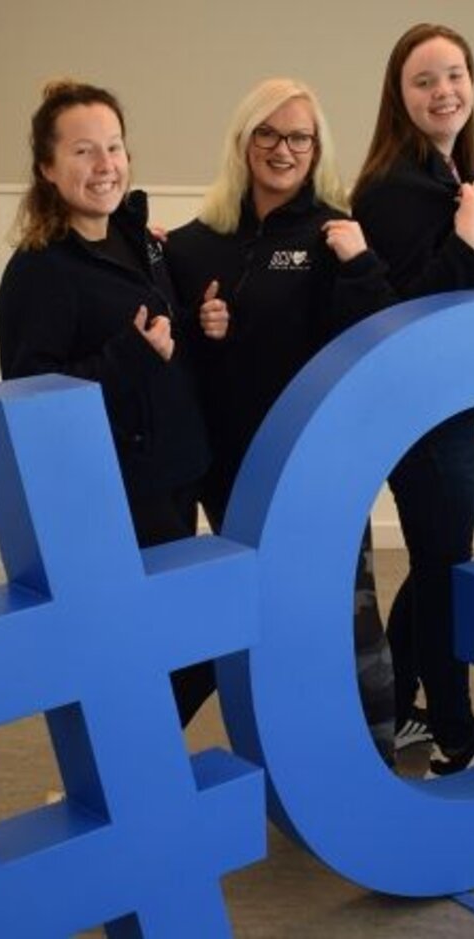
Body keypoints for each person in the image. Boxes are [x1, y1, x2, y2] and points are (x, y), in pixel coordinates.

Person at [164, 78, 401, 761]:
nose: (282, 149)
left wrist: (359, 263)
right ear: (242, 142)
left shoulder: (335, 233)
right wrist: (195, 321)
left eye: (298, 136)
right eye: (267, 133)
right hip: (231, 468)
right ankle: (289, 751)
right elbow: (168, 344)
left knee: (347, 620)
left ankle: (376, 767)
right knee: (256, 616)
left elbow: (377, 334)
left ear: (317, 146)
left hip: (322, 466)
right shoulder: (192, 243)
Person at [0, 79, 215, 725]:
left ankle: (130, 770)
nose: (104, 166)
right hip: (115, 491)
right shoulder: (40, 270)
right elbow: (31, 392)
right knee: (193, 641)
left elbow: (165, 345)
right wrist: (130, 355)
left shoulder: (140, 241)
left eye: (114, 147)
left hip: (175, 472)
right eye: (84, 151)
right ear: (47, 167)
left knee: (168, 642)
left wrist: (203, 323)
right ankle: (127, 761)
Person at [350, 23, 474, 777]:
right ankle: (456, 741)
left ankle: (407, 703)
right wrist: (470, 231)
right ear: (399, 95)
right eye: (424, 80)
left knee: (436, 565)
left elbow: (471, 277)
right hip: (422, 410)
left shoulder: (456, 174)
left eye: (454, 74)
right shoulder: (392, 185)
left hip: (453, 403)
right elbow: (402, 312)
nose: (442, 90)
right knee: (447, 572)